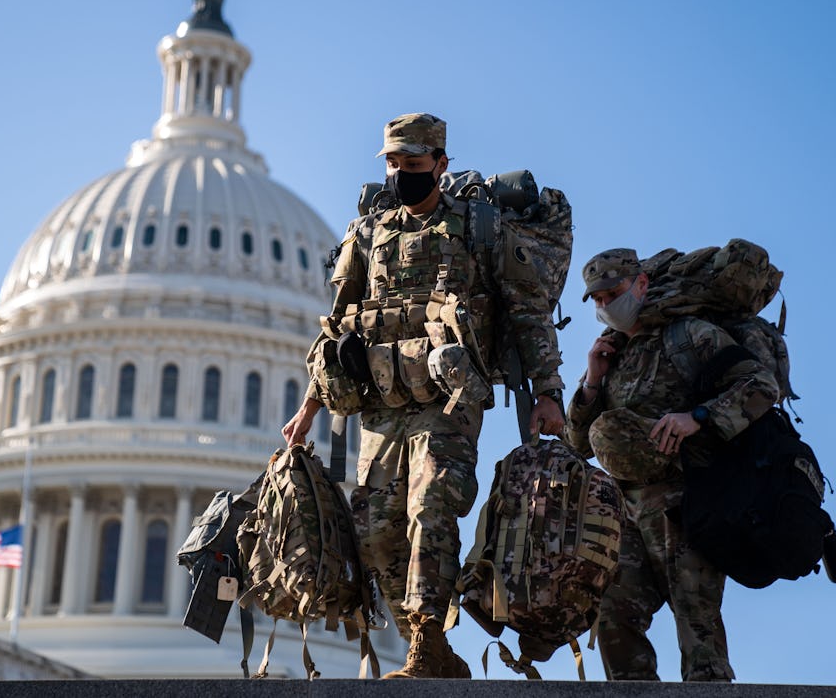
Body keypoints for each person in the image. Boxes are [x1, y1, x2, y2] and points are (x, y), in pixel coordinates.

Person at [282, 113, 566, 679]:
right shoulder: (367, 234)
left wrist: (548, 392)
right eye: (393, 163)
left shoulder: (479, 228)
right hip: (381, 399)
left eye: (413, 164)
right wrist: (310, 404)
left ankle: (428, 632)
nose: (401, 173)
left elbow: (528, 313)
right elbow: (337, 326)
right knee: (373, 528)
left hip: (449, 399)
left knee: (431, 504)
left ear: (440, 163)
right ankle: (428, 647)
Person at [563, 248, 779, 682]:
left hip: (688, 501)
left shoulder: (690, 335)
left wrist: (697, 418)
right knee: (612, 613)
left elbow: (761, 385)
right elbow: (581, 443)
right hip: (628, 512)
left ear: (641, 285)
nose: (605, 305)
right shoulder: (616, 356)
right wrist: (592, 380)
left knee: (697, 625)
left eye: (613, 293)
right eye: (598, 300)